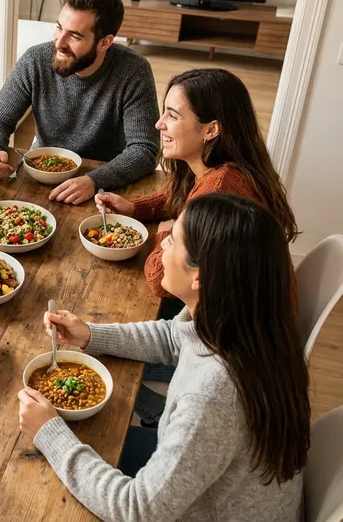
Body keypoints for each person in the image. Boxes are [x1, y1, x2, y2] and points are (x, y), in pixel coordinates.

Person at [18, 193, 309, 522]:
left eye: (171, 241)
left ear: (200, 277)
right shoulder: (249, 323)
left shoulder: (214, 396)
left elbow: (137, 509)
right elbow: (175, 337)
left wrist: (49, 433)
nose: (162, 249)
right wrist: (90, 334)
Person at [96, 68, 298, 301]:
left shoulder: (220, 189)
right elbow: (177, 193)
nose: (159, 124)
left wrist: (165, 234)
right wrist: (134, 208)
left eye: (173, 116)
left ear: (211, 130)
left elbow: (160, 280)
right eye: (164, 112)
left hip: (236, 320)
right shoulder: (216, 166)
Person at [0, 0, 159, 205]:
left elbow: (144, 149)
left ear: (104, 43)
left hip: (105, 183)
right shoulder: (35, 60)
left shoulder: (134, 70)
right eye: (59, 27)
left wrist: (94, 180)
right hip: (41, 174)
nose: (59, 42)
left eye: (74, 36)